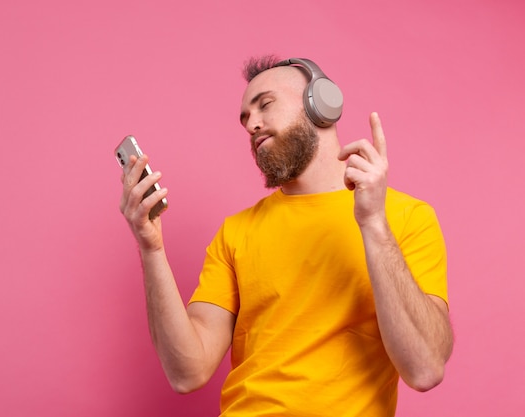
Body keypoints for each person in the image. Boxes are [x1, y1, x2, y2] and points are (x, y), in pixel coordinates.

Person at [119, 55, 453, 417]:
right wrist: (151, 248)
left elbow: (425, 368)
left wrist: (372, 222)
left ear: (321, 103)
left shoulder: (405, 217)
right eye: (245, 118)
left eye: (265, 105)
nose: (252, 125)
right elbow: (186, 372)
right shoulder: (236, 232)